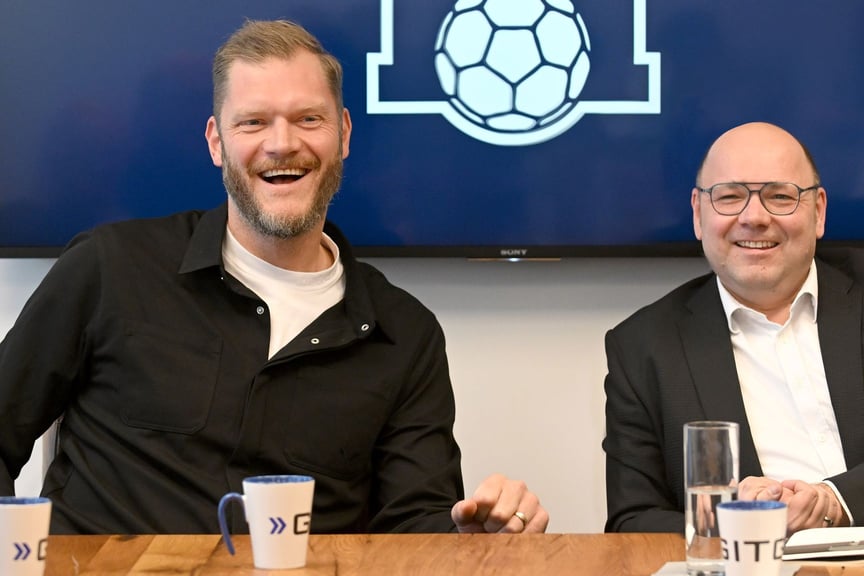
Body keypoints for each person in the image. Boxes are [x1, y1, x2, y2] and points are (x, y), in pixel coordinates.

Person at [0, 19, 548, 536]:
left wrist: (474, 535)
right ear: (217, 142)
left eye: (308, 119)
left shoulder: (406, 334)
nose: (282, 143)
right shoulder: (108, 267)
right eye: (253, 122)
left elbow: (413, 529)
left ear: (343, 134)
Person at [602, 121, 864, 537]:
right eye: (729, 196)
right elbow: (633, 521)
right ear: (698, 214)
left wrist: (834, 500)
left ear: (818, 211)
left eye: (780, 196)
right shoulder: (642, 348)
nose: (754, 217)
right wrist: (733, 522)